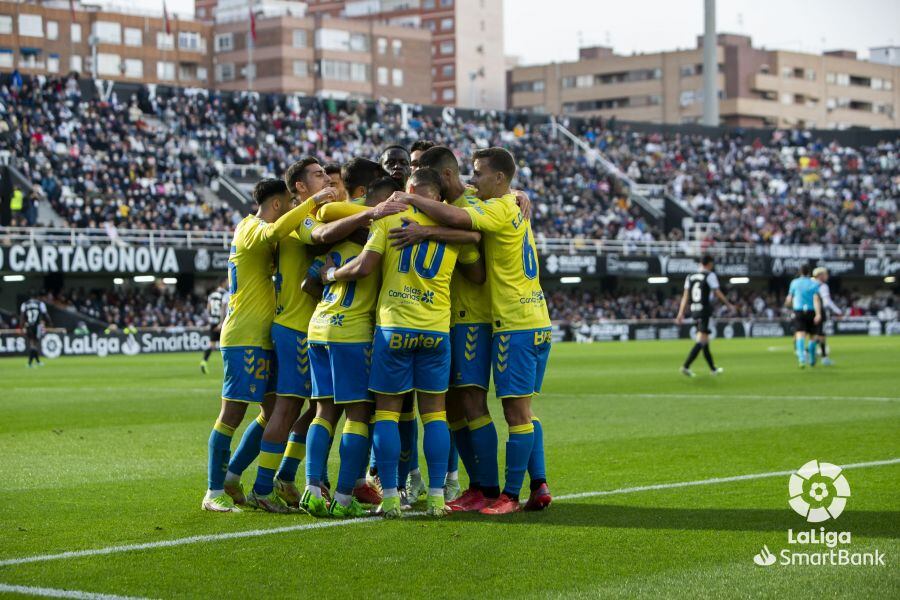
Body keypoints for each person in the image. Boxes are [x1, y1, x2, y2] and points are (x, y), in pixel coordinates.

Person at [381, 147, 552, 515]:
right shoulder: (491, 199)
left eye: (417, 167)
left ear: (442, 174)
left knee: (486, 405)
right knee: (461, 406)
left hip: (475, 317)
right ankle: (501, 485)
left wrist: (426, 229)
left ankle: (500, 488)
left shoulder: (478, 201)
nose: (412, 172)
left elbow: (472, 234)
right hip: (466, 318)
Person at [324, 167, 484, 518]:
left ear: (408, 190)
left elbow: (366, 266)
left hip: (394, 328)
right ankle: (439, 497)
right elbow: (477, 272)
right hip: (436, 330)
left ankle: (393, 497)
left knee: (386, 414)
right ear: (438, 196)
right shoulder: (457, 228)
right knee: (435, 415)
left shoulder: (390, 219)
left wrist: (331, 274)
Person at [201, 178, 327, 513]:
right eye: (289, 202)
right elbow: (274, 233)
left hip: (264, 336)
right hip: (244, 335)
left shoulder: (260, 231)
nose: (292, 207)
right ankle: (213, 491)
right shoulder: (250, 227)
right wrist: (312, 202)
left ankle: (232, 475)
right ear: (276, 204)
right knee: (231, 414)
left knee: (271, 413)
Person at [297, 164, 399, 518]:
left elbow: (308, 284)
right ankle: (342, 498)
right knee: (359, 413)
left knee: (323, 412)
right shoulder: (378, 235)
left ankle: (312, 489)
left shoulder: (336, 236)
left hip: (319, 326)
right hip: (352, 332)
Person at [675, 255, 735, 377]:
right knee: (701, 341)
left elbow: (685, 296)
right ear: (709, 263)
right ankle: (686, 366)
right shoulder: (709, 275)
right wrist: (729, 304)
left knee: (705, 341)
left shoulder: (690, 277)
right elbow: (717, 292)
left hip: (694, 310)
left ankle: (713, 369)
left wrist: (680, 313)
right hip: (704, 310)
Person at [785, 264, 823, 368]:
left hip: (799, 311)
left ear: (800, 272)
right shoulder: (814, 283)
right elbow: (816, 299)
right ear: (809, 272)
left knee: (800, 335)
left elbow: (789, 299)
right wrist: (818, 314)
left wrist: (788, 304)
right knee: (812, 337)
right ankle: (811, 359)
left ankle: (801, 358)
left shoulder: (794, 283)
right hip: (811, 311)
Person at [812, 267, 841, 366]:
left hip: (809, 311)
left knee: (817, 334)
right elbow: (827, 301)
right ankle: (811, 352)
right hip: (820, 311)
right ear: (820, 275)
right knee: (821, 334)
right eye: (825, 274)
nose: (827, 276)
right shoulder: (823, 286)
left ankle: (821, 355)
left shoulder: (810, 284)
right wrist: (838, 311)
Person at [200, 281, 228, 374]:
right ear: (223, 283)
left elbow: (208, 309)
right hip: (222, 322)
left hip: (212, 322)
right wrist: (221, 323)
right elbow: (223, 309)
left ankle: (204, 361)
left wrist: (210, 321)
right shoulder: (225, 294)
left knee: (211, 345)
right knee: (227, 344)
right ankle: (229, 367)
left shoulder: (211, 295)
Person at [20, 295, 51, 368]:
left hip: (28, 326)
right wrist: (50, 322)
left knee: (32, 344)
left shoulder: (25, 304)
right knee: (34, 344)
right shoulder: (40, 303)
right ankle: (30, 363)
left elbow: (22, 316)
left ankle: (37, 361)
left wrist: (21, 326)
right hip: (37, 326)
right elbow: (45, 314)